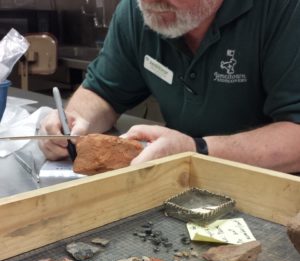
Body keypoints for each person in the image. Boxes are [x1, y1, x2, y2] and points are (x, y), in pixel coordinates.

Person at [39, 0, 300, 173]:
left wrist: (196, 150)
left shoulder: (286, 11)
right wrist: (74, 122)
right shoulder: (138, 11)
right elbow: (102, 92)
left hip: (277, 189)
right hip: (181, 184)